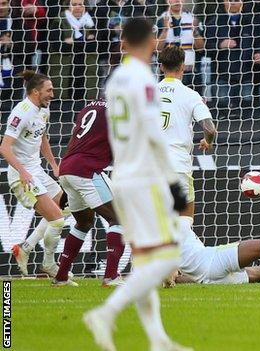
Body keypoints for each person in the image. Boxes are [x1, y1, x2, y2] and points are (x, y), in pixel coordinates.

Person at [82, 18, 190, 351]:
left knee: (145, 260)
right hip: (144, 177)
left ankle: (158, 340)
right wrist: (173, 182)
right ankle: (106, 312)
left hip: (122, 175)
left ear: (124, 42)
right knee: (169, 256)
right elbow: (151, 130)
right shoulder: (144, 77)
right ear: (153, 42)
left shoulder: (114, 80)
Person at [0, 71, 65, 278]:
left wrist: (54, 166)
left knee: (67, 206)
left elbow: (43, 139)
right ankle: (50, 266)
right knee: (57, 220)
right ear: (36, 92)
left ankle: (25, 248)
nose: (52, 94)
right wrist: (23, 172)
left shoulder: (43, 111)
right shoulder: (22, 112)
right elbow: (4, 148)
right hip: (22, 175)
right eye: (49, 90)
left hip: (37, 171)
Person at [54, 99, 125, 287]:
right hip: (87, 170)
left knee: (84, 222)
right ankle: (111, 276)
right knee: (120, 218)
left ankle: (61, 277)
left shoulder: (88, 107)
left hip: (67, 168)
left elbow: (79, 138)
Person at [157, 45, 216, 235]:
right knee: (184, 228)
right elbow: (210, 128)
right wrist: (208, 141)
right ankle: (177, 264)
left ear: (160, 67)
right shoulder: (190, 95)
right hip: (177, 168)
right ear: (183, 66)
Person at [204, 0, 256, 114]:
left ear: (242, 2)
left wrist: (259, 53)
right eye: (230, 0)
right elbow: (205, 48)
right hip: (222, 76)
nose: (233, 3)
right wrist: (220, 45)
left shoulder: (252, 22)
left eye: (236, 0)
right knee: (223, 110)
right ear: (224, 2)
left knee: (248, 112)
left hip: (247, 75)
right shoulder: (214, 22)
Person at [48, 0, 98, 101]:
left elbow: (95, 46)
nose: (78, 7)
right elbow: (59, 46)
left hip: (86, 71)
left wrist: (73, 42)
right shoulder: (59, 20)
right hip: (65, 71)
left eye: (80, 4)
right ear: (67, 6)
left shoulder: (90, 21)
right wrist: (84, 41)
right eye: (74, 5)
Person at [156, 0, 204, 88]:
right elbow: (157, 49)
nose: (177, 1)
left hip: (190, 72)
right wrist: (165, 30)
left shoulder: (193, 19)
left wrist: (195, 32)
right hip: (168, 73)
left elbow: (201, 48)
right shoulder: (160, 20)